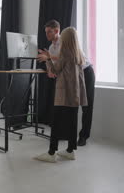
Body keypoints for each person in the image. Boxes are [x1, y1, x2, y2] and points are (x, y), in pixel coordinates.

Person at [38, 20, 96, 146]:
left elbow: (70, 56)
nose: (47, 34)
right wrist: (49, 70)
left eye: (49, 32)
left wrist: (49, 57)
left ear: (57, 31)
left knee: (87, 106)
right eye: (46, 32)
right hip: (71, 76)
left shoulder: (67, 40)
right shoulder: (51, 48)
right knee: (68, 105)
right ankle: (66, 135)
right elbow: (56, 66)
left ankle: (84, 136)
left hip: (85, 72)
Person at [35, 27, 88, 163]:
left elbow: (55, 70)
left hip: (64, 92)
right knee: (72, 121)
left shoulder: (65, 52)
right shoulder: (78, 54)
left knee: (56, 121)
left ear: (66, 39)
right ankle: (71, 150)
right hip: (75, 93)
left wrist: (47, 59)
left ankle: (51, 153)